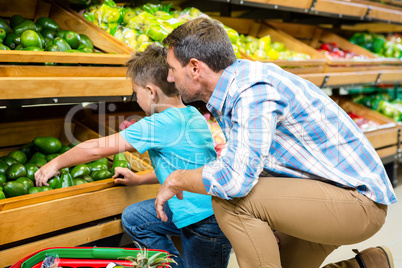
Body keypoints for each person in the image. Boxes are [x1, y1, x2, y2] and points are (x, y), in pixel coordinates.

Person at [154, 17, 398, 268]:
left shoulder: (252, 91)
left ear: (195, 68)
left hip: (358, 202)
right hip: (332, 192)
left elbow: (234, 180)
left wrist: (177, 178)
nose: (170, 78)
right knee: (278, 261)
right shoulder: (238, 85)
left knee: (230, 202)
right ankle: (368, 263)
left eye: (172, 69)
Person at [35, 45, 232, 268]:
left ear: (150, 91)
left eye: (135, 92)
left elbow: (96, 148)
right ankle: (171, 265)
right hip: (206, 207)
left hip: (205, 222)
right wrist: (139, 179)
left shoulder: (158, 124)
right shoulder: (191, 113)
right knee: (135, 218)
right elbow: (181, 166)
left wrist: (55, 163)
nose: (136, 100)